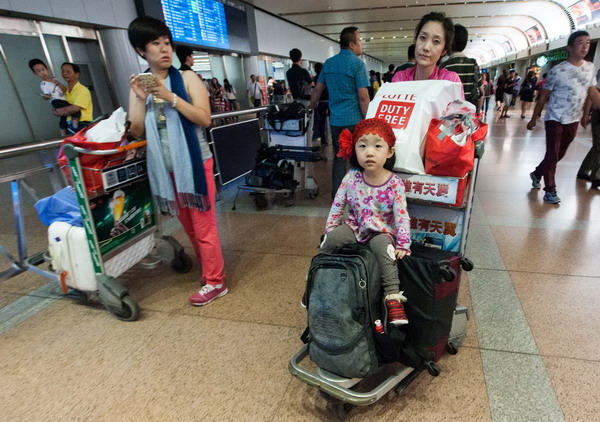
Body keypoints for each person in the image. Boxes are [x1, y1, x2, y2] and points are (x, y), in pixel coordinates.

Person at [127, 16, 227, 305]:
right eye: (155, 44)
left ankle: (216, 281)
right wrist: (138, 98)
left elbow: (204, 118)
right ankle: (210, 271)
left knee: (204, 225)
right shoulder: (141, 84)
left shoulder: (187, 78)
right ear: (140, 51)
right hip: (166, 169)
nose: (164, 50)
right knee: (190, 226)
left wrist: (170, 97)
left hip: (195, 166)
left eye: (166, 43)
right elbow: (136, 130)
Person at [321, 118, 411, 325]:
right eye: (362, 146)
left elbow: (401, 215)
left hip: (381, 231)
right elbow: (338, 204)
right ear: (354, 150)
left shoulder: (394, 183)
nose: (369, 152)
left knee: (384, 250)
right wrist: (330, 230)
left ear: (389, 151)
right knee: (331, 241)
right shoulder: (351, 177)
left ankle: (393, 297)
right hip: (354, 227)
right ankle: (317, 282)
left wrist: (403, 244)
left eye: (377, 146)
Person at [528, 30, 600, 204]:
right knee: (552, 153)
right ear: (570, 47)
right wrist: (534, 117)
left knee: (559, 154)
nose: (585, 46)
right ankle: (550, 190)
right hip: (555, 117)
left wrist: (585, 115)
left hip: (573, 119)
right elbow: (543, 96)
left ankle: (537, 173)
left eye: (588, 43)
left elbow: (591, 92)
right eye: (581, 43)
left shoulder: (590, 68)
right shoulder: (557, 70)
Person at [309, 26, 370, 197]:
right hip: (355, 122)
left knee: (339, 160)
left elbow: (317, 90)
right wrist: (369, 119)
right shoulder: (358, 64)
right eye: (360, 41)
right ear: (351, 44)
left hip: (336, 121)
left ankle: (337, 198)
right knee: (359, 160)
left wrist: (311, 106)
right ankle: (358, 197)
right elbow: (363, 97)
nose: (361, 44)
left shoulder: (329, 64)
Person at [392, 12, 464, 101]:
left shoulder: (449, 81)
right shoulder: (400, 78)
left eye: (436, 41)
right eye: (422, 38)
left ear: (444, 50)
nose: (426, 47)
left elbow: (459, 114)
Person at [28, 58, 78, 136]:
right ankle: (74, 122)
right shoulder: (43, 84)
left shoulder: (55, 79)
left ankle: (63, 132)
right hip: (56, 101)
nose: (42, 72)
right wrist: (45, 97)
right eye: (38, 71)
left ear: (47, 69)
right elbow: (47, 96)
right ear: (35, 73)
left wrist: (59, 84)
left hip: (64, 99)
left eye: (43, 69)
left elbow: (66, 90)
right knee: (72, 109)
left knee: (65, 115)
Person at [439, 24, 482, 110]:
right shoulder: (473, 64)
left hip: (451, 114)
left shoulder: (444, 66)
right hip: (469, 112)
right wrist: (477, 113)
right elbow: (481, 92)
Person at [53, 62, 93, 131]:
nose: (65, 73)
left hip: (82, 124)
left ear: (77, 75)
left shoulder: (82, 90)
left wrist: (59, 111)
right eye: (63, 71)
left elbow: (75, 108)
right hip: (69, 123)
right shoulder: (66, 90)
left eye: (68, 71)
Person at [577, 69, 600, 189]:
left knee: (598, 145)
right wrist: (586, 114)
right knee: (599, 145)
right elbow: (592, 94)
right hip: (599, 113)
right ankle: (596, 177)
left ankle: (584, 171)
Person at [312, 62, 329, 145]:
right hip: (329, 101)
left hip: (320, 102)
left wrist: (313, 103)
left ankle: (323, 138)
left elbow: (315, 90)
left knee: (322, 120)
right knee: (331, 120)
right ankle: (333, 137)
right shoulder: (326, 77)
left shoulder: (315, 79)